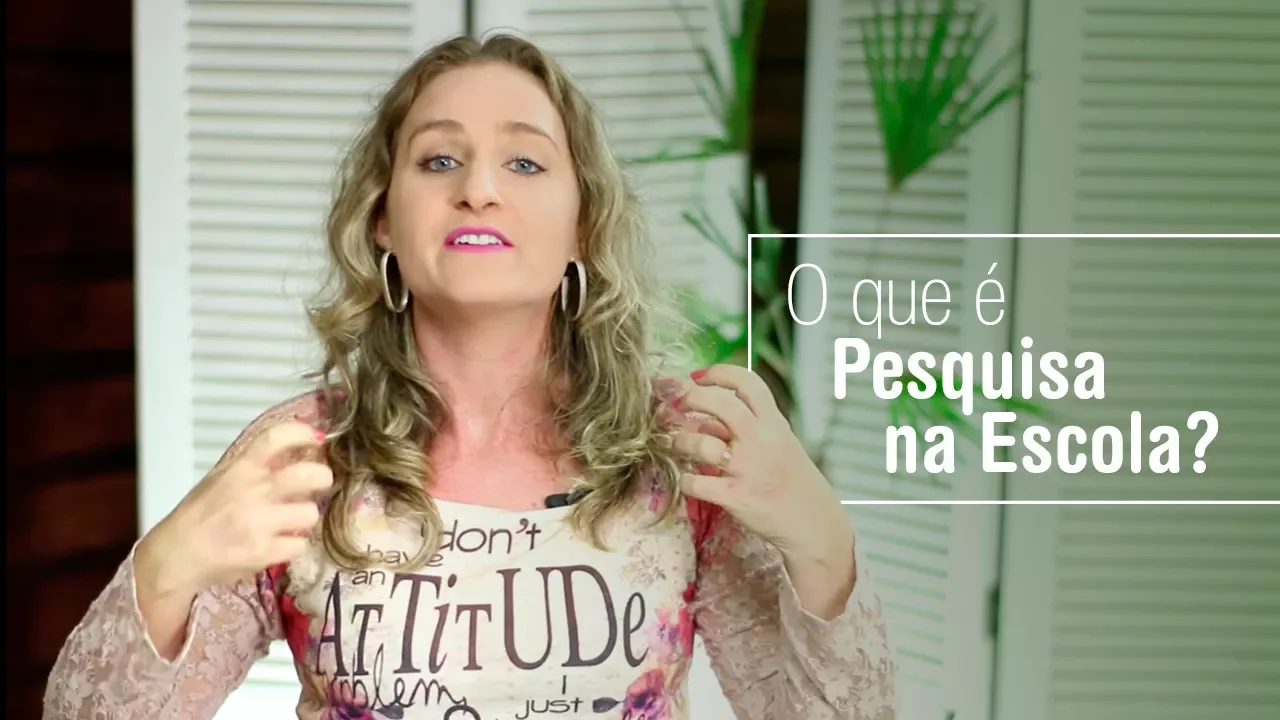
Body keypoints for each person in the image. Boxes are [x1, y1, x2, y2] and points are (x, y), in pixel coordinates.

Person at [42, 33, 896, 720]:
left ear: (583, 224)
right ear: (383, 219)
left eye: (525, 163)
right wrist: (166, 565)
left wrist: (821, 540)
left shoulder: (681, 453)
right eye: (438, 160)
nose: (479, 188)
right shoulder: (305, 456)